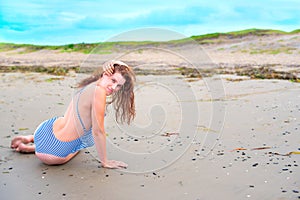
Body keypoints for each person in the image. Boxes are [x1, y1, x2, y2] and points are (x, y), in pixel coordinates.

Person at [10, 60, 135, 169]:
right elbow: (98, 131)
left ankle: (32, 139)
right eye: (113, 80)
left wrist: (112, 63)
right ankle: (33, 147)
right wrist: (105, 162)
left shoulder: (88, 84)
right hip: (53, 154)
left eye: (118, 86)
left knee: (67, 123)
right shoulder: (99, 92)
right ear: (105, 74)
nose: (113, 87)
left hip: (43, 130)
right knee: (81, 144)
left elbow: (118, 69)